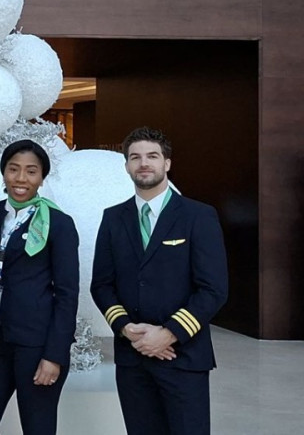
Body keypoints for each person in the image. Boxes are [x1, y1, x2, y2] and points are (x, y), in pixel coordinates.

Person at [92, 127, 228, 435]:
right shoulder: (113, 217)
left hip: (183, 356)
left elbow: (213, 289)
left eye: (152, 156)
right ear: (126, 165)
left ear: (167, 163)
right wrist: (128, 330)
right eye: (135, 157)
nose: (143, 164)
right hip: (133, 358)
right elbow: (101, 284)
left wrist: (168, 334)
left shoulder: (198, 216)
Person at [0, 139, 80, 435]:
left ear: (42, 177)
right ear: (3, 173)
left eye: (31, 171)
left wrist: (55, 355)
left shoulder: (58, 223)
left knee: (37, 426)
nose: (21, 178)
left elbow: (67, 294)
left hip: (36, 343)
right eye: (13, 169)